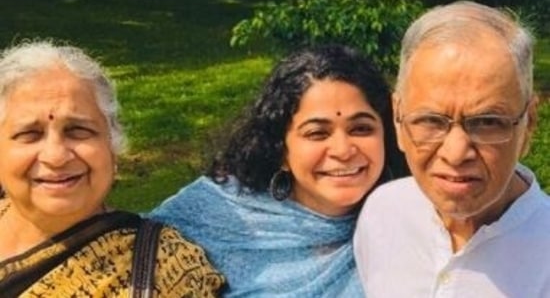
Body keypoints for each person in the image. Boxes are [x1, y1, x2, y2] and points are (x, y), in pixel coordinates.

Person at [149, 44, 409, 297]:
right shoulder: (213, 217)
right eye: (317, 133)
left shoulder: (411, 220)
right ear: (280, 149)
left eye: (361, 129)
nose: (343, 150)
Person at [354, 1, 550, 297]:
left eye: (487, 122)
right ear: (397, 117)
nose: (456, 153)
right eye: (430, 120)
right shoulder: (382, 212)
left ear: (529, 124)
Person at [0, 40, 224, 297]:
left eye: (78, 131)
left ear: (113, 145)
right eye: (30, 134)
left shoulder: (164, 271)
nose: (56, 156)